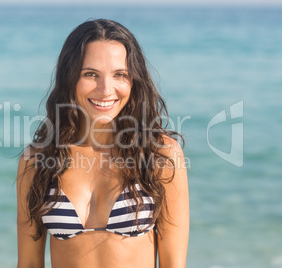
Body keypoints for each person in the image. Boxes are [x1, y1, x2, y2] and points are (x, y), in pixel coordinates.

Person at [16, 19, 189, 268]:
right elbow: (30, 263)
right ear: (69, 78)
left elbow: (173, 263)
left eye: (120, 75)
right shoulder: (37, 161)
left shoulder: (161, 155)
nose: (106, 89)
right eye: (90, 74)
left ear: (133, 80)